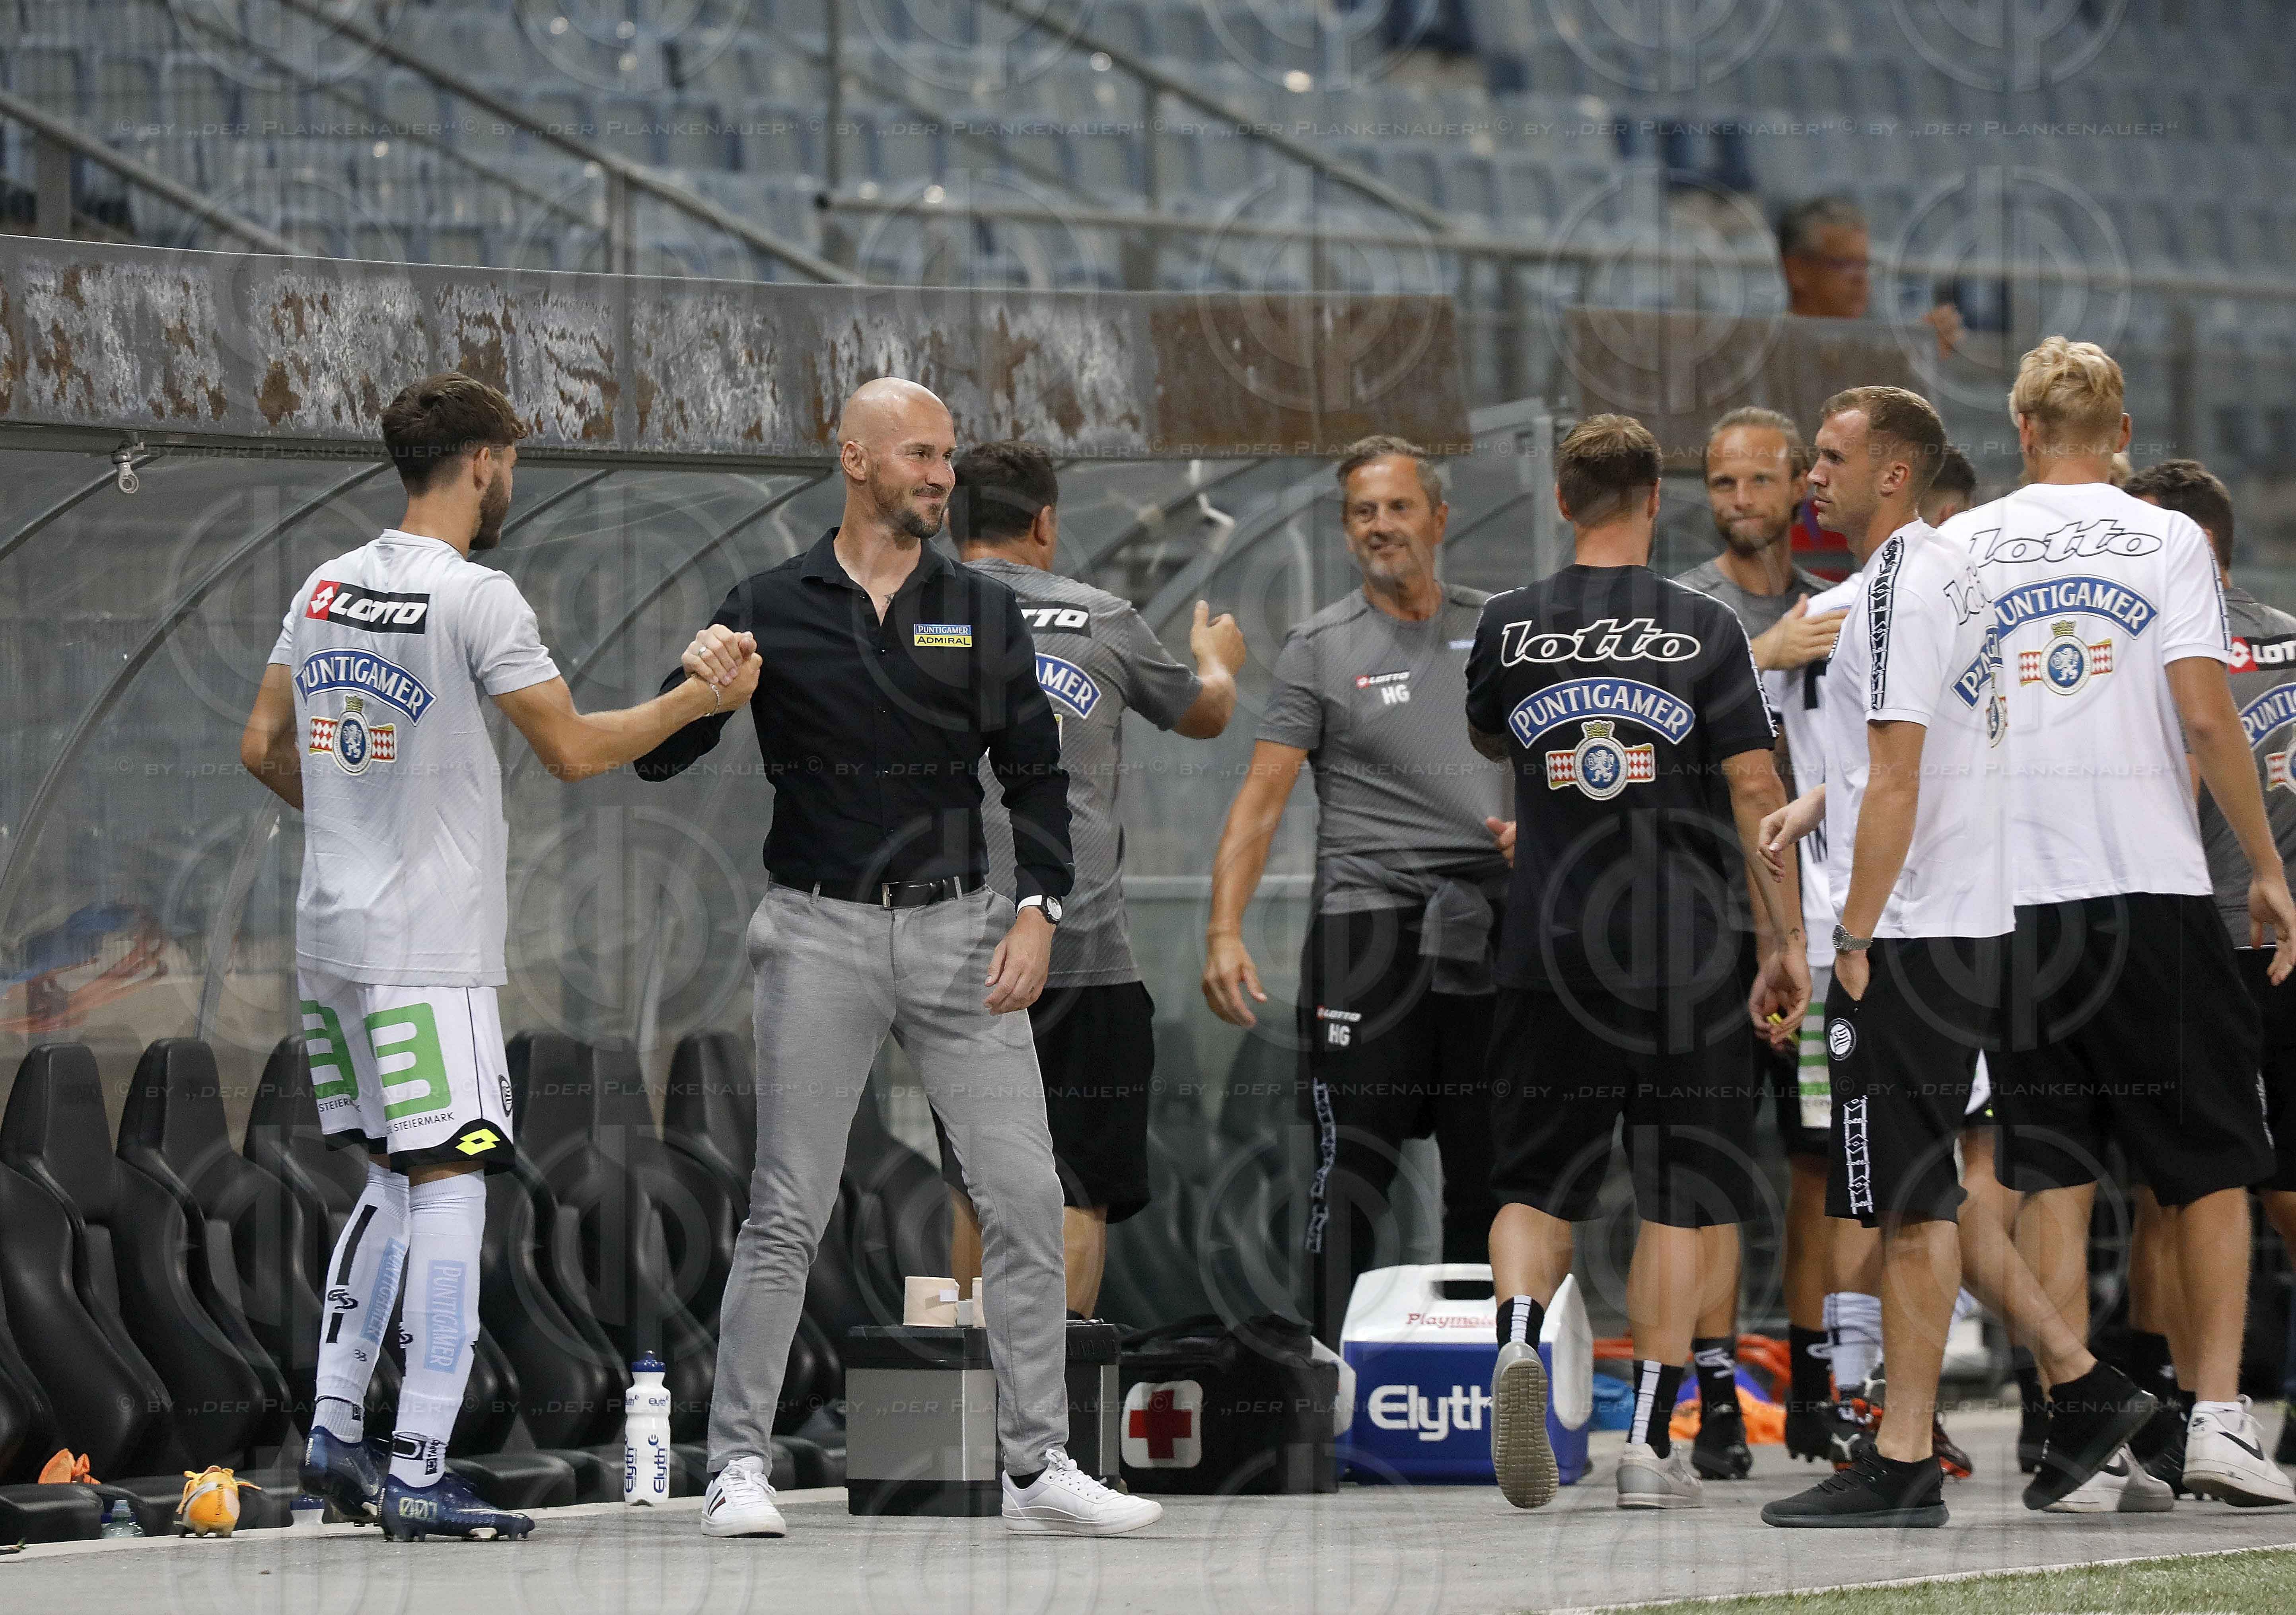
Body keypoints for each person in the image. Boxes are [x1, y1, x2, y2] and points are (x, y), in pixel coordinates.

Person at [238, 372, 763, 1541]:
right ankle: (419, 1462)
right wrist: (696, 698)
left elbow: (260, 742)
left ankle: (335, 1433)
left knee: (382, 1170)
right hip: (428, 947)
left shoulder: (322, 585)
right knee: (451, 1179)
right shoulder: (479, 597)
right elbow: (575, 750)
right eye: (512, 461)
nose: (512, 480)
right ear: (484, 461)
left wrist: (352, 828)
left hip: (331, 935)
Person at [636, 379, 1161, 1539]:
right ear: (855, 459)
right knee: (788, 1203)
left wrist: (1038, 912)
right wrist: (692, 693)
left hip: (962, 929)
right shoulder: (769, 602)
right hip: (817, 930)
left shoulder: (977, 609)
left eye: (947, 457)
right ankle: (736, 1468)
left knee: (1026, 1191)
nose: (940, 474)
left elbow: (1036, 779)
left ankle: (1038, 1465)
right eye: (920, 454)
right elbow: (660, 768)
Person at [1757, 387, 2138, 1527]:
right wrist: (1821, 800)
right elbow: (1932, 751)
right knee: (1920, 1194)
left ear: (1890, 472)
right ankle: (2070, 1389)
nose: (1808, 475)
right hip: (1960, 915)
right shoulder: (1948, 572)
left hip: (1911, 931)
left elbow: (1908, 770)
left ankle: (1907, 1452)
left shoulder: (1893, 592)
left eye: (1828, 457)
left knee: (1909, 1202)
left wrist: (1857, 932)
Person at [1949, 338, 2296, 1509]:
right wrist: (2262, 867)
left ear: (2022, 431)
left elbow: (1939, 729)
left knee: (2050, 1170)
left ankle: (2076, 1428)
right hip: (2147, 887)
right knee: (2206, 1169)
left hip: (2017, 902)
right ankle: (2218, 1422)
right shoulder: (2164, 541)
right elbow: (2209, 722)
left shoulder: (1969, 545)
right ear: (2123, 435)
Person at [1465, 413, 1808, 1513]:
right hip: (1682, 951)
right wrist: (1784, 941)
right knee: (1679, 1197)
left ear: (1563, 502)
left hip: (1546, 945)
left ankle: (1519, 1341)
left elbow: (1496, 742)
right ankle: (1646, 1448)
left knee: (1531, 1181)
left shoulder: (1508, 626)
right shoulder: (1703, 625)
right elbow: (1758, 793)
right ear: (1654, 500)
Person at [1201, 434, 1510, 1349]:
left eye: (1397, 506)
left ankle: (1486, 1377)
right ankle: (1323, 1374)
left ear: (1439, 517)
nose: (1381, 526)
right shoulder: (1317, 647)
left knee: (1487, 1172)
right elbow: (1259, 802)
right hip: (1365, 935)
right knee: (1352, 1169)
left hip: (1491, 930)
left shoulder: (1499, 630)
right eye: (1362, 513)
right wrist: (1223, 931)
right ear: (1346, 533)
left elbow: (1557, 760)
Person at [939, 440, 1247, 1317]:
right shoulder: (1099, 617)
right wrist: (1215, 652)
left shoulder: (914, 617)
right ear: (1045, 522)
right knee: (1076, 1187)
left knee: (974, 1182)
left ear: (952, 523)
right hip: (1083, 955)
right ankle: (1052, 1424)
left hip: (955, 951)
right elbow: (1207, 712)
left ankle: (971, 1410)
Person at [1675, 405, 1848, 1478]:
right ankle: (1713, 1398)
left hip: (1817, 937)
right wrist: (1754, 654)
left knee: (1817, 1167)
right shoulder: (1682, 613)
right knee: (1701, 1173)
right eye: (1720, 481)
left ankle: (1817, 1386)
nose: (1739, 500)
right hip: (1703, 934)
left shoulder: (1842, 611)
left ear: (1796, 490)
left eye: (1757, 481)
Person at [2124, 458, 2296, 1484]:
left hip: (2202, 934)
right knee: (2258, 1187)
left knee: (2176, 1188)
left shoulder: (2169, 644)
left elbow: (2178, 776)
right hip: (2279, 937)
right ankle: (2193, 1411)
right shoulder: (2291, 636)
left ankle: (2175, 1411)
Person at [1775, 196, 1963, 580]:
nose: (1860, 278)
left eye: (1865, 264)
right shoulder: (1768, 350)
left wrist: (1920, 360)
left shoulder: (1884, 351)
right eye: (1843, 264)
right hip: (1796, 542)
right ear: (1797, 271)